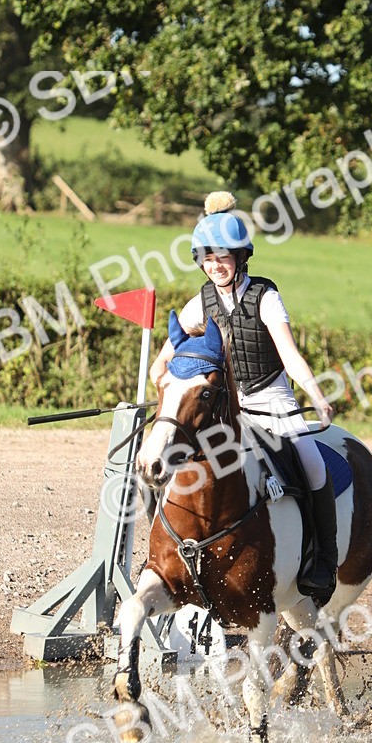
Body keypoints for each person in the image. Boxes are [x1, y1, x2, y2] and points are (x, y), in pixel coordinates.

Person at [149, 190, 338, 605]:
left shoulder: (265, 297)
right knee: (169, 459)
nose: (216, 267)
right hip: (224, 411)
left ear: (241, 259)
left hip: (272, 401)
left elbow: (289, 356)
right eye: (209, 259)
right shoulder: (200, 301)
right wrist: (162, 386)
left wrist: (318, 397)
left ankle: (323, 559)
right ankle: (164, 550)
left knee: (314, 465)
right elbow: (164, 361)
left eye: (224, 258)